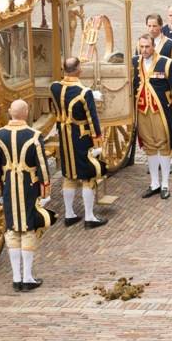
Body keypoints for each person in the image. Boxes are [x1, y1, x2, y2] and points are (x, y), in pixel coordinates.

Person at [0, 100, 52, 291]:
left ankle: (16, 278)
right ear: (26, 112)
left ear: (10, 112)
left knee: (12, 230)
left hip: (9, 188)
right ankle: (27, 278)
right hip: (29, 188)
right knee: (28, 230)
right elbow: (42, 167)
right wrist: (45, 192)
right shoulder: (34, 136)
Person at [50, 59, 109, 229]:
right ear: (78, 70)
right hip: (81, 138)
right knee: (87, 176)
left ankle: (69, 214)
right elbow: (92, 118)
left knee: (69, 175)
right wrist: (98, 141)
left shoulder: (54, 87)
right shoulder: (84, 92)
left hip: (64, 137)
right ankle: (89, 217)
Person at [133, 34, 172, 200]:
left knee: (163, 146)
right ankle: (154, 183)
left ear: (153, 47)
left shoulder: (166, 63)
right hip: (142, 111)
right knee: (149, 146)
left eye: (147, 47)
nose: (144, 50)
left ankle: (165, 184)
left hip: (161, 112)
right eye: (141, 47)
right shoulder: (134, 63)